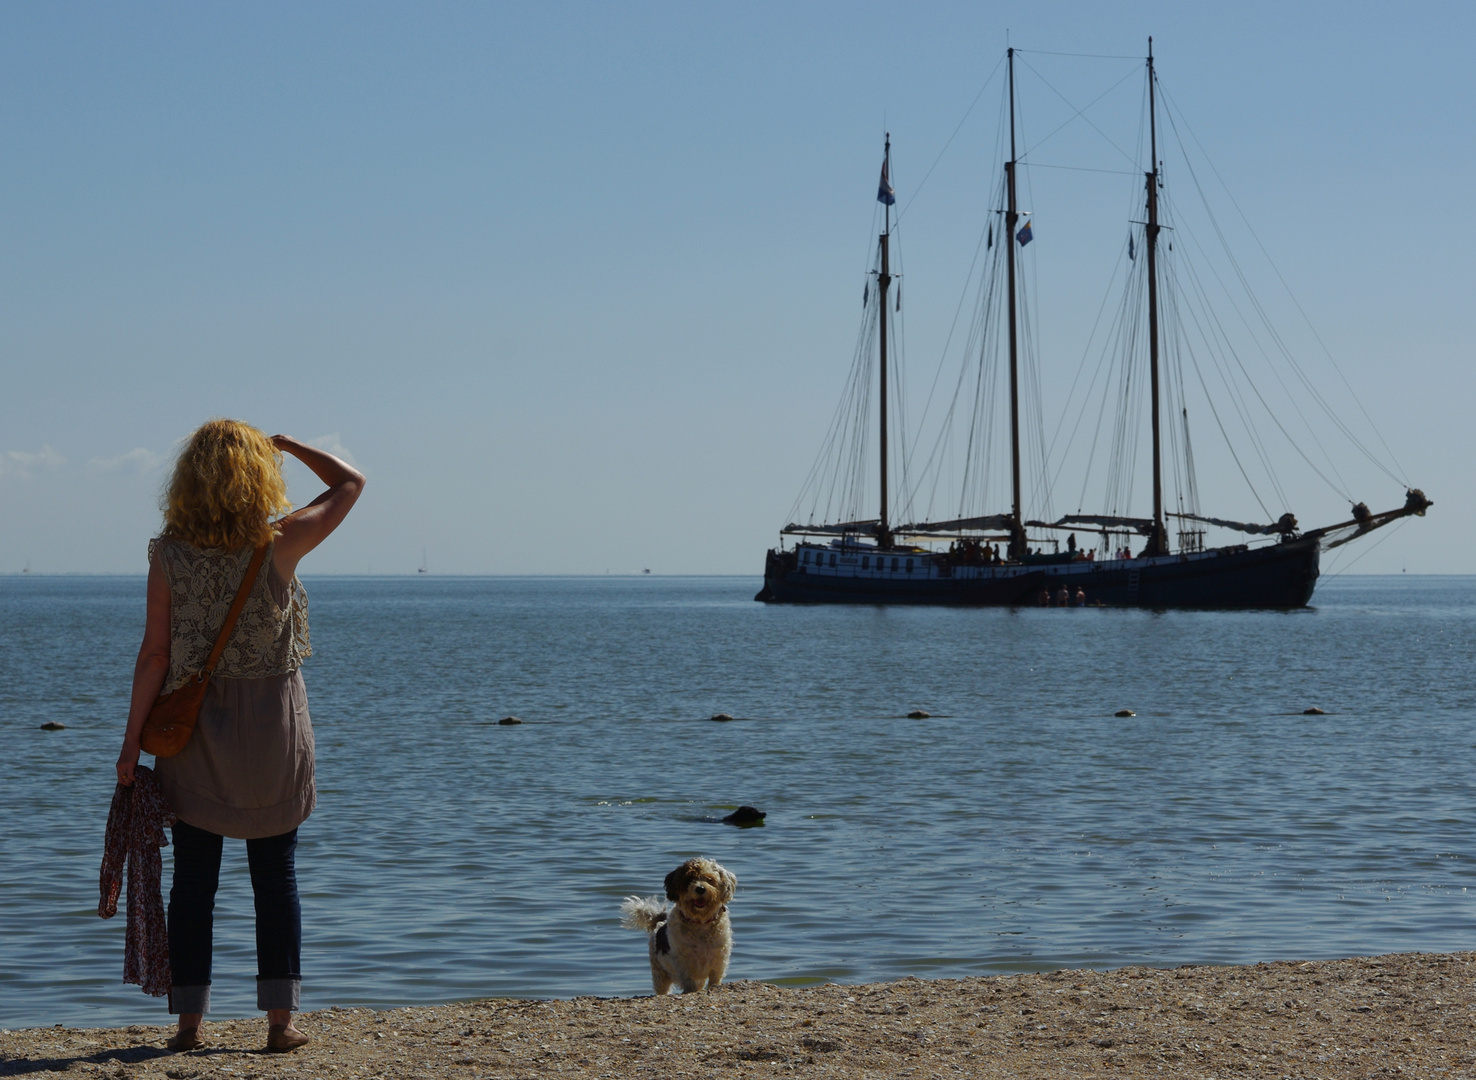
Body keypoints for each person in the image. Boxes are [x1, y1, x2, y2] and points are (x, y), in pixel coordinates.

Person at [115, 421, 364, 1054]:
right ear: (257, 477)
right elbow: (349, 482)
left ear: (190, 480)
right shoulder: (281, 541)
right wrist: (290, 445)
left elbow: (154, 655)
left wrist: (129, 743)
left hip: (196, 732)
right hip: (272, 729)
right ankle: (280, 1025)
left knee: (195, 879)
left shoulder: (169, 552)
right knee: (275, 875)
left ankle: (189, 1024)